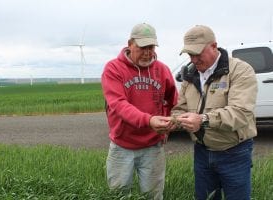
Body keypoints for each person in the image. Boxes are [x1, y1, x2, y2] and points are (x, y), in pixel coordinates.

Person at [171, 25, 258, 200]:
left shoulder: (240, 70)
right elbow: (179, 108)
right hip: (202, 152)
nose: (194, 59)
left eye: (198, 53)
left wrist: (202, 119)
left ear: (214, 46)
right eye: (190, 54)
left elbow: (240, 113)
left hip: (234, 152)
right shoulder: (190, 75)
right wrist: (172, 121)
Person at [101, 23, 178, 199]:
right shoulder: (113, 69)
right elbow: (119, 104)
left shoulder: (162, 70)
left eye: (151, 47)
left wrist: (168, 122)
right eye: (143, 47)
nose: (147, 52)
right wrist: (149, 120)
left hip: (153, 147)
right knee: (118, 195)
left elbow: (172, 100)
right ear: (130, 44)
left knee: (153, 196)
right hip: (122, 146)